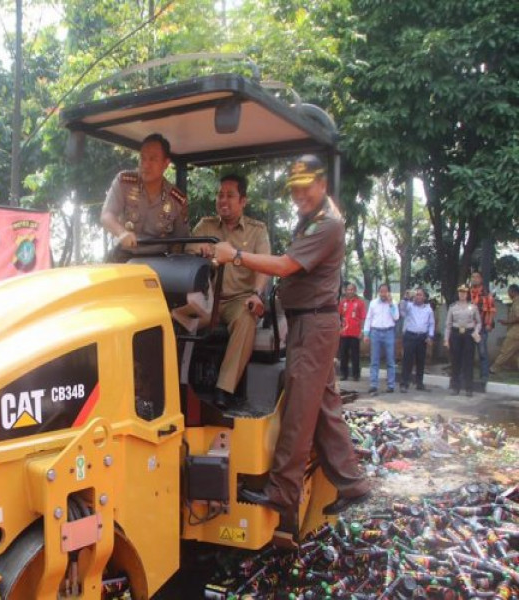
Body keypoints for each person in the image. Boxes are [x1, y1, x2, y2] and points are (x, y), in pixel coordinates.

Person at [212, 154, 370, 516]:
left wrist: (236, 255)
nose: (299, 195)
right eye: (295, 190)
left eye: (306, 188)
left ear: (323, 184)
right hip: (308, 322)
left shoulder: (326, 224)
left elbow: (284, 266)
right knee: (326, 408)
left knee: (299, 409)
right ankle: (353, 483)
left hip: (314, 325)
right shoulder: (311, 219)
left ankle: (283, 491)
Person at [187, 174, 271, 409]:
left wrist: (257, 294)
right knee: (171, 320)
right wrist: (199, 248)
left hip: (239, 300)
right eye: (220, 195)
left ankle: (224, 389)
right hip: (207, 300)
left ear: (243, 201)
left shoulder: (257, 230)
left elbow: (264, 265)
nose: (223, 200)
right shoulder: (206, 226)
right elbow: (187, 247)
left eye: (230, 196)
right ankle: (175, 382)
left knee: (246, 318)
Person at [101, 133, 189, 262]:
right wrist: (122, 233)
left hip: (158, 261)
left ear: (166, 163)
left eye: (153, 159)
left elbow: (181, 241)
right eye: (143, 158)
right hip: (124, 257)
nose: (146, 165)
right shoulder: (124, 182)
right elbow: (106, 216)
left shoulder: (177, 200)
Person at [444, 284, 481, 397]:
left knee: (468, 361)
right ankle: (455, 387)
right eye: (460, 293)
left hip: (468, 335)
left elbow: (479, 322)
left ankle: (469, 388)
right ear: (458, 294)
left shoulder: (473, 307)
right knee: (456, 361)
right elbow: (448, 325)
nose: (462, 295)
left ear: (467, 294)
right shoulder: (453, 307)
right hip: (456, 334)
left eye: (464, 293)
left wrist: (476, 332)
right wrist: (446, 339)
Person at [363, 283, 399, 394]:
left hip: (389, 332)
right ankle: (373, 384)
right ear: (379, 292)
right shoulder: (373, 303)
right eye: (381, 291)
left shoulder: (393, 303)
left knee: (390, 360)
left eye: (385, 291)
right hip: (375, 332)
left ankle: (391, 385)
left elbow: (396, 317)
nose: (383, 293)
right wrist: (366, 333)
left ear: (388, 292)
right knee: (374, 360)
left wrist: (391, 304)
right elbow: (368, 318)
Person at [399, 287, 435, 392]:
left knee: (421, 361)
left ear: (424, 297)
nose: (418, 297)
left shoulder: (428, 309)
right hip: (410, 336)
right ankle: (404, 383)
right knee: (407, 361)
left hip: (422, 337)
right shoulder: (409, 306)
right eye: (416, 294)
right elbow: (402, 310)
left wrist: (430, 336)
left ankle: (419, 383)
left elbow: (431, 324)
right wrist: (406, 298)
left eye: (420, 295)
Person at [469, 271, 496, 380]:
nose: (475, 279)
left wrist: (489, 323)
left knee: (482, 352)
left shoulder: (486, 293)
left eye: (477, 277)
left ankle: (484, 376)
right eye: (473, 277)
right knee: (467, 352)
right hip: (469, 327)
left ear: (481, 279)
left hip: (482, 328)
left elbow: (492, 310)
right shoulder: (468, 293)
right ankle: (466, 375)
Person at [338, 282, 366, 381]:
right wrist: (339, 328)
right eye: (348, 290)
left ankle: (356, 375)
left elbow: (363, 318)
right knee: (343, 354)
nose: (350, 291)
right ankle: (343, 374)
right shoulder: (342, 302)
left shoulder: (360, 303)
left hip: (355, 332)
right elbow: (339, 316)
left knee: (355, 355)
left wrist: (362, 331)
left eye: (352, 290)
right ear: (346, 291)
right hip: (344, 332)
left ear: (355, 291)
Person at [491, 284, 519, 374]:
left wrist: (507, 322)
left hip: (515, 332)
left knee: (505, 351)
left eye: (508, 292)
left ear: (513, 292)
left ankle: (494, 368)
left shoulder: (517, 302)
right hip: (515, 331)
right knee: (514, 353)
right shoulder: (515, 302)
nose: (508, 294)